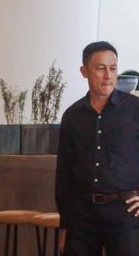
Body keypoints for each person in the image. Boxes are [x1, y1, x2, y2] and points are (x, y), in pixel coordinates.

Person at [56, 41, 139, 255]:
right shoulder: (72, 116)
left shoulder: (135, 110)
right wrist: (65, 225)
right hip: (82, 214)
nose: (108, 76)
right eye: (100, 68)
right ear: (84, 71)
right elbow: (64, 173)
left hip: (125, 212)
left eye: (113, 68)